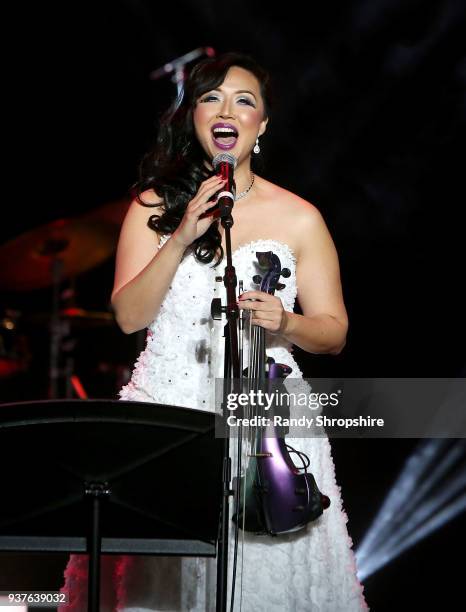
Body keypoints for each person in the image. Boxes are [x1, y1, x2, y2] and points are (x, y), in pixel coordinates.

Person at [60, 52, 369, 611]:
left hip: (267, 421)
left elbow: (334, 332)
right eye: (211, 98)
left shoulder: (300, 217)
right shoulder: (152, 206)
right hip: (169, 411)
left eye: (244, 100)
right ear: (196, 119)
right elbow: (129, 315)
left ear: (263, 124)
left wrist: (287, 320)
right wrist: (180, 236)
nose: (227, 110)